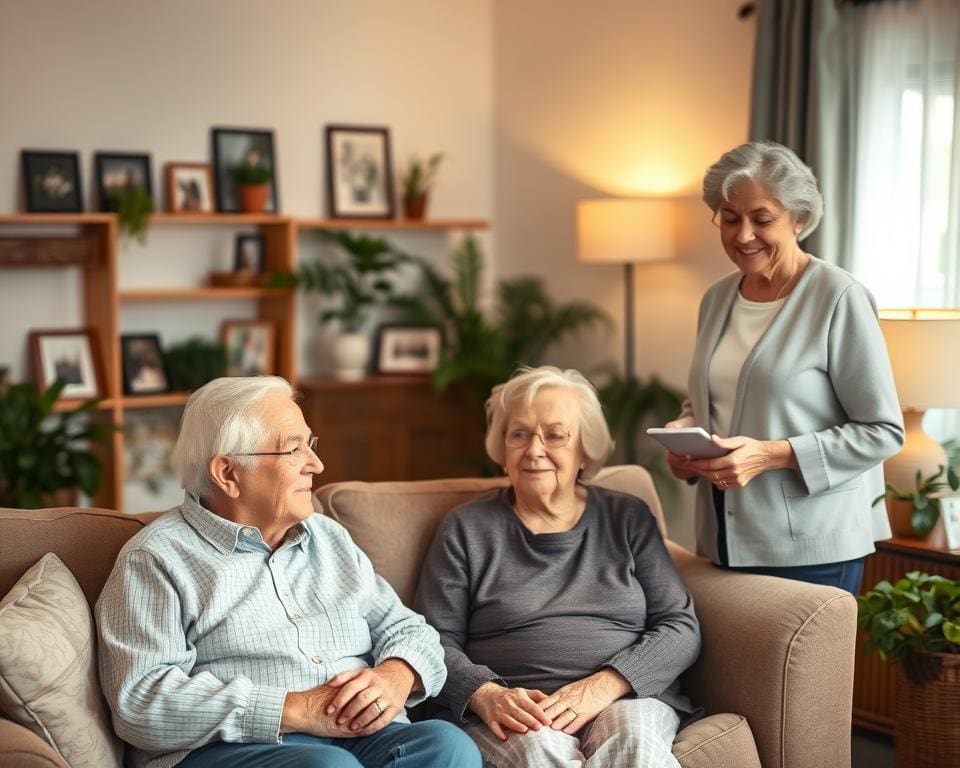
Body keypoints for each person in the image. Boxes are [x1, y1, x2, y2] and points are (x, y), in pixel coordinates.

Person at [96, 376, 481, 768]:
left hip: (360, 738)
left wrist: (395, 677)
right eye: (293, 450)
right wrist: (295, 709)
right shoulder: (157, 559)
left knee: (449, 746)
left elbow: (411, 630)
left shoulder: (329, 538)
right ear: (228, 473)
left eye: (310, 445)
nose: (316, 464)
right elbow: (140, 701)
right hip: (235, 748)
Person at [414, 366, 700, 768]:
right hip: (518, 708)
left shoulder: (627, 517)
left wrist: (608, 684)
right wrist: (485, 694)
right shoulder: (466, 529)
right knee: (538, 752)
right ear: (502, 448)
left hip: (623, 698)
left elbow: (680, 625)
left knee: (633, 744)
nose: (534, 450)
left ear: (585, 450)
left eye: (555, 435)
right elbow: (431, 639)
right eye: (519, 434)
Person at [663, 140, 905, 595]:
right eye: (730, 218)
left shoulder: (838, 297)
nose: (743, 235)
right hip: (723, 541)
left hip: (814, 549)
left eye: (762, 219)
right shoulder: (717, 298)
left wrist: (768, 455)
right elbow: (712, 398)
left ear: (799, 218)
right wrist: (686, 433)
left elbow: (882, 430)